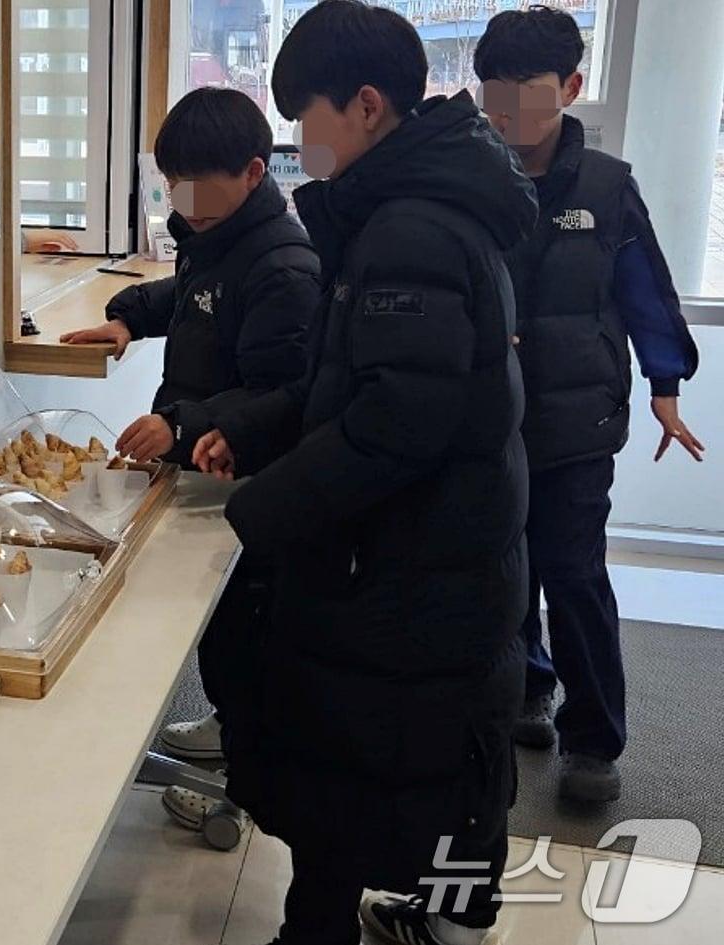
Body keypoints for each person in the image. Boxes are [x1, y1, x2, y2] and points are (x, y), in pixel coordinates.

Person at [190, 2, 536, 943]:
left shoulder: (411, 228)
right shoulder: (414, 206)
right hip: (432, 556)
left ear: (368, 106)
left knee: (423, 768)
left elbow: (393, 428)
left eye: (307, 117)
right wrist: (249, 431)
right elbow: (342, 384)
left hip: (418, 565)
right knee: (387, 769)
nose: (303, 142)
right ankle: (370, 923)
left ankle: (441, 925)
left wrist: (258, 511)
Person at [62, 86, 321, 830]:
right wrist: (126, 319)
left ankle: (246, 790)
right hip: (210, 466)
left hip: (249, 480)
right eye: (176, 186)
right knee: (223, 634)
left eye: (202, 189)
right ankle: (231, 731)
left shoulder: (283, 265)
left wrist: (180, 425)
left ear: (252, 171)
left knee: (249, 642)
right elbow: (194, 296)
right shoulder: (221, 234)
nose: (186, 205)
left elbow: (282, 395)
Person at [473, 5, 703, 806]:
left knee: (573, 578)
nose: (510, 117)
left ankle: (594, 738)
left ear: (570, 88)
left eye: (528, 96)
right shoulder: (472, 181)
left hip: (576, 428)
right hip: (488, 426)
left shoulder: (608, 187)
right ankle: (530, 690)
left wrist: (666, 385)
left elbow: (647, 291)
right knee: (506, 573)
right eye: (494, 98)